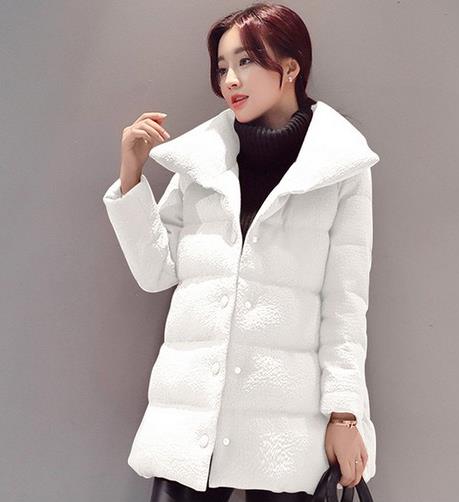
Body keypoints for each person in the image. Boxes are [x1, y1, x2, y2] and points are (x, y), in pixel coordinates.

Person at [102, 2, 380, 501]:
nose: (230, 79)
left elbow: (345, 305)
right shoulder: (200, 163)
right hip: (193, 423)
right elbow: (156, 271)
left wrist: (344, 416)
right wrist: (131, 177)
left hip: (284, 427)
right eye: (222, 67)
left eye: (246, 62)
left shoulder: (340, 168)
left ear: (290, 68)